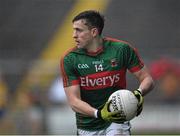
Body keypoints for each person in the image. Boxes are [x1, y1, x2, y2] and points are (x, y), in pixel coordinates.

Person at [60, 10, 154, 135]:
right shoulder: (70, 59)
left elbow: (147, 79)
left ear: (94, 32)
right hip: (87, 126)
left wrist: (138, 93)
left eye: (79, 30)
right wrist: (99, 113)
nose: (74, 35)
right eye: (74, 30)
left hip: (117, 120)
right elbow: (74, 102)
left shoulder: (122, 50)